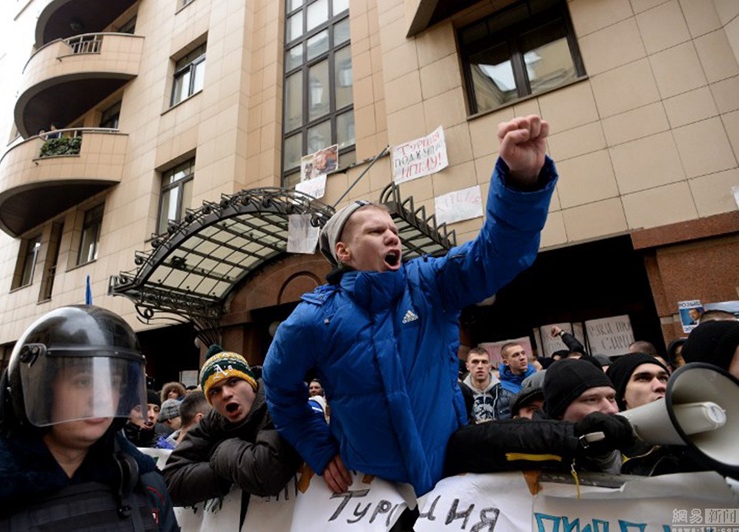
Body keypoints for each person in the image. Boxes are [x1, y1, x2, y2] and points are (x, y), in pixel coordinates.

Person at [263, 115, 558, 498]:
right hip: (371, 496)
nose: (392, 237)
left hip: (450, 481)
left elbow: (497, 255)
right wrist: (317, 448)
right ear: (344, 252)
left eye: (394, 231)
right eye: (375, 231)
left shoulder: (431, 284)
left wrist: (521, 182)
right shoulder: (312, 319)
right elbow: (279, 390)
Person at [0, 305, 178, 531]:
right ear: (40, 390)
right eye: (83, 381)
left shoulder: (147, 485)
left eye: (113, 382)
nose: (102, 398)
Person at [163, 349, 301, 515]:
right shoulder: (212, 422)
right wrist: (227, 471)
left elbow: (266, 475)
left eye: (233, 382)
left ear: (250, 383)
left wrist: (221, 452)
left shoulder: (278, 405)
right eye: (215, 391)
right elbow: (170, 483)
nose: (226, 394)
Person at [445, 359, 634, 476]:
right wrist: (576, 437)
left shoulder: (641, 449)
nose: (609, 409)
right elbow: (465, 443)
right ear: (559, 411)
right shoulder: (543, 447)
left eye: (611, 398)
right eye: (591, 400)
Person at [461, 347, 509, 421]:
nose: (480, 366)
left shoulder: (505, 393)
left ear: (490, 367)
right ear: (467, 366)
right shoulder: (460, 394)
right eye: (475, 362)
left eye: (484, 362)